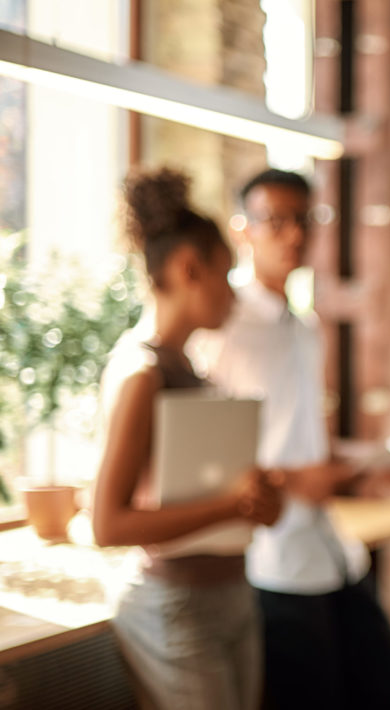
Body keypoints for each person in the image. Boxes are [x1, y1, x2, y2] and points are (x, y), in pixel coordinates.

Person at [190, 168, 390, 710]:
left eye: (304, 220)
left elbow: (301, 438)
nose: (293, 234)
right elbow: (204, 459)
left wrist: (369, 461)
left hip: (330, 552)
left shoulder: (305, 327)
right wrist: (296, 480)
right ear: (243, 229)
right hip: (272, 562)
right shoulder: (221, 329)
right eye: (275, 221)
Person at [93, 167, 284, 709]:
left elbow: (208, 498)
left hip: (228, 593)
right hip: (176, 605)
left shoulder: (194, 370)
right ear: (187, 269)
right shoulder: (141, 374)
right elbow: (108, 524)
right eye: (225, 277)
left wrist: (258, 499)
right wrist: (231, 504)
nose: (233, 296)